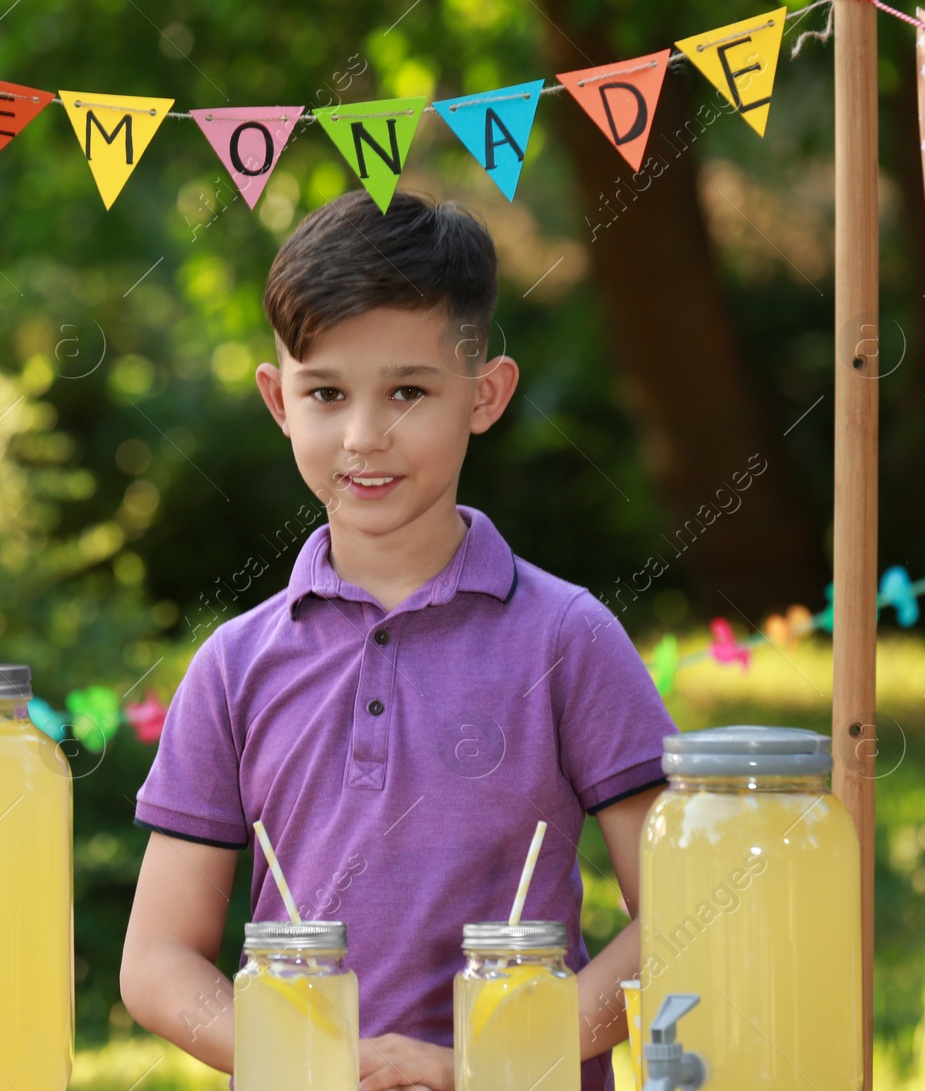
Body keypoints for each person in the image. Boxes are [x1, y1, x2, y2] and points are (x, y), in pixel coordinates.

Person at [119, 187, 679, 1091]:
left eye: (409, 392)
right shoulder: (234, 665)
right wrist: (308, 1062)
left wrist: (488, 1061)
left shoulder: (569, 639)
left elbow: (687, 919)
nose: (364, 435)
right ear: (278, 399)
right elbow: (155, 961)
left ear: (485, 395)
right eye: (327, 393)